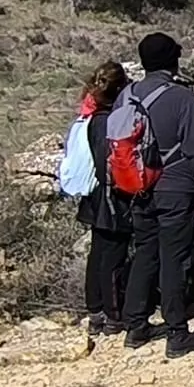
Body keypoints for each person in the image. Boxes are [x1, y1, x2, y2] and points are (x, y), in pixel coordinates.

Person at [119, 33, 194, 358]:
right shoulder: (182, 98)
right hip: (175, 187)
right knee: (174, 258)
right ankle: (177, 332)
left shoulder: (126, 96)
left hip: (136, 187)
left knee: (145, 252)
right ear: (173, 61)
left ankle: (136, 325)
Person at [75, 62, 132, 336]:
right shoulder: (108, 121)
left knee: (98, 252)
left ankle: (95, 311)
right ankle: (112, 314)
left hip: (96, 195)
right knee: (112, 255)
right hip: (111, 197)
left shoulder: (91, 117)